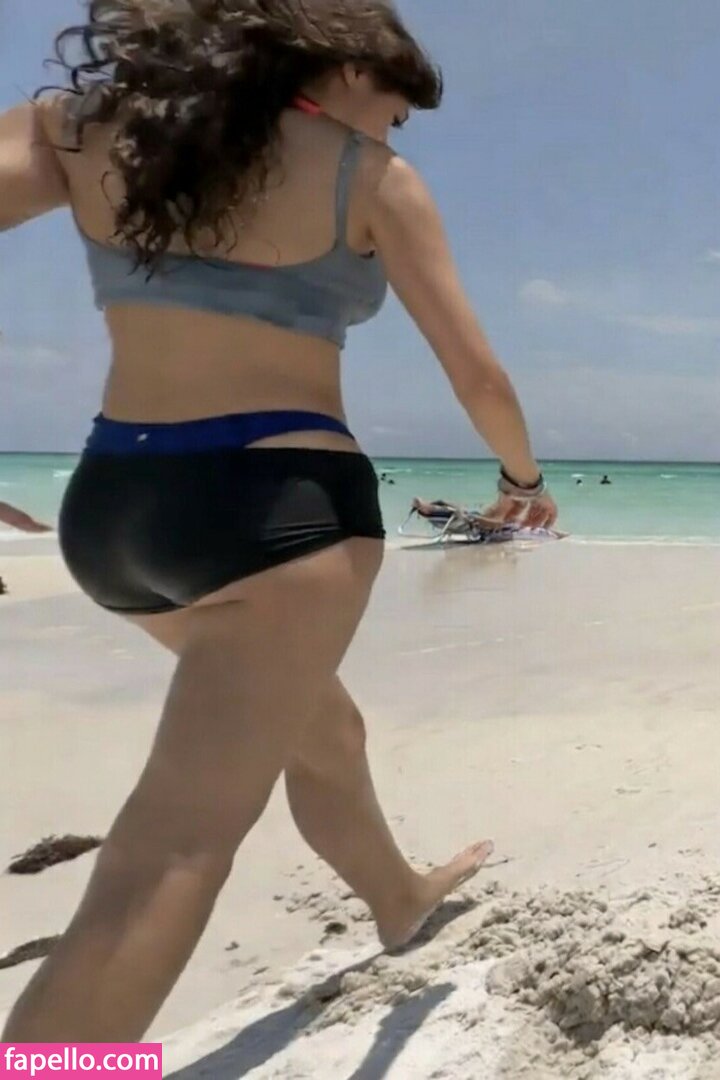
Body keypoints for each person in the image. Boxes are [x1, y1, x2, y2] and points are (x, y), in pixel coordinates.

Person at [0, 0, 557, 1042]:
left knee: (322, 724)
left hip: (113, 516)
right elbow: (479, 375)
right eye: (395, 111)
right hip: (275, 517)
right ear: (348, 70)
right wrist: (523, 475)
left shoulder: (87, 130)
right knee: (169, 853)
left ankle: (397, 897)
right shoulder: (369, 177)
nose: (392, 134)